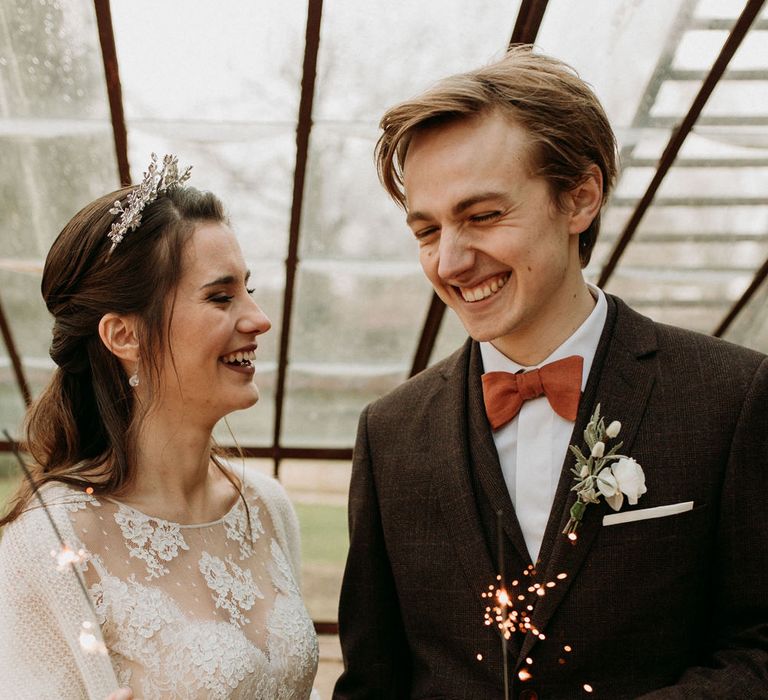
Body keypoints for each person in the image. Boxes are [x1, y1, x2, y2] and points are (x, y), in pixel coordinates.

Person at [334, 47, 768, 698]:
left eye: (482, 216)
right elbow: (374, 682)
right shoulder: (389, 432)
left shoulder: (732, 398)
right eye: (427, 230)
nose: (450, 262)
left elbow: (760, 652)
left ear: (580, 199)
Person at [0, 155, 319, 699]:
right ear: (124, 336)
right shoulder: (48, 544)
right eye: (221, 297)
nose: (258, 319)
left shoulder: (266, 507)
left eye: (249, 289)